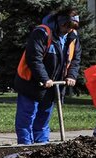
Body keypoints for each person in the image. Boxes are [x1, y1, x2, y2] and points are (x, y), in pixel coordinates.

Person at [13, 8, 82, 144]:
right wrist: (44, 78)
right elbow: (34, 58)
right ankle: (25, 144)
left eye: (71, 27)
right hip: (31, 82)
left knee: (44, 116)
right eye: (66, 26)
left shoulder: (72, 37)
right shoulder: (42, 33)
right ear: (59, 22)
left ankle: (41, 143)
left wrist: (71, 76)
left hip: (52, 85)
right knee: (27, 115)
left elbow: (75, 59)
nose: (68, 30)